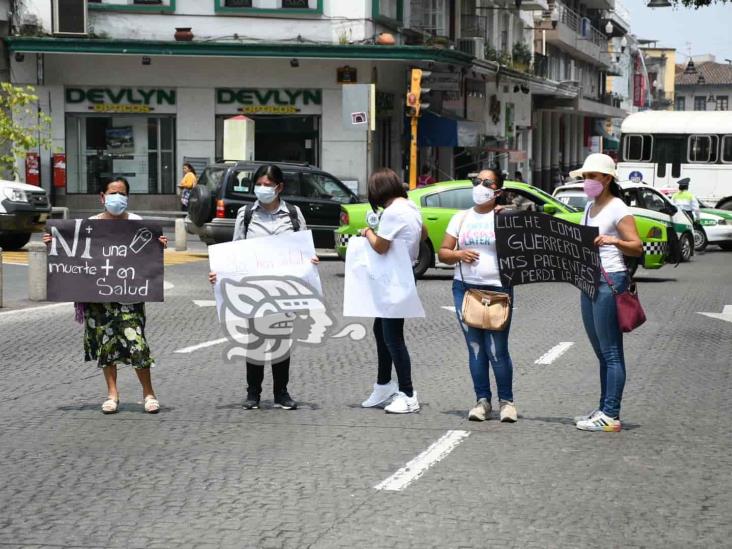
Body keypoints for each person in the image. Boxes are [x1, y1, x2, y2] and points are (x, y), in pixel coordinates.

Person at [43, 177, 168, 414]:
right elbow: (71, 252)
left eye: (121, 193)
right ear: (102, 197)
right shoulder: (89, 226)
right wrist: (54, 242)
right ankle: (112, 394)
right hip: (98, 298)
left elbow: (149, 257)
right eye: (112, 193)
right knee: (105, 345)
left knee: (137, 343)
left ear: (128, 197)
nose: (117, 197)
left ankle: (148, 392)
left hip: (129, 297)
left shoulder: (138, 224)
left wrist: (159, 244)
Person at [208, 164, 318, 411]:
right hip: (254, 290)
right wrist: (221, 275)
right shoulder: (246, 214)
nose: (263, 189)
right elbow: (235, 252)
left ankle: (281, 392)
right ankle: (253, 393)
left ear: (279, 187)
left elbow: (303, 248)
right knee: (255, 342)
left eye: (268, 185)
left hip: (283, 290)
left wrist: (310, 262)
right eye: (259, 184)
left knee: (281, 341)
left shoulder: (292, 213)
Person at [437, 169, 517, 423]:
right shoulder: (461, 218)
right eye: (476, 181)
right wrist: (459, 254)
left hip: (498, 289)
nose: (480, 185)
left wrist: (513, 213)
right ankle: (482, 401)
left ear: (498, 191)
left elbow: (528, 236)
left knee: (497, 349)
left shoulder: (504, 217)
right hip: (465, 288)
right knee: (475, 348)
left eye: (486, 182)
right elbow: (443, 252)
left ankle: (507, 402)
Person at [569, 154, 642, 432]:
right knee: (601, 351)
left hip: (610, 279)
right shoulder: (590, 207)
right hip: (590, 279)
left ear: (607, 179)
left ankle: (611, 413)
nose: (587, 182)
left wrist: (613, 240)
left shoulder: (617, 208)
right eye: (585, 177)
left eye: (592, 177)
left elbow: (636, 246)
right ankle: (603, 407)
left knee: (611, 351)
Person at [359, 168, 426, 414]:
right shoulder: (410, 207)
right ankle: (383, 384)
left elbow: (380, 246)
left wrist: (367, 232)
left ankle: (408, 393)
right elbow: (425, 233)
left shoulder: (392, 212)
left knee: (393, 337)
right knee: (381, 330)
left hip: (394, 281)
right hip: (404, 276)